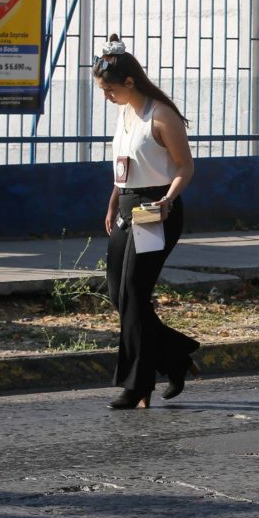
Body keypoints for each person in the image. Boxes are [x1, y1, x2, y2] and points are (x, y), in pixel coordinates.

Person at [94, 34, 199, 409]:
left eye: (109, 90)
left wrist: (168, 199)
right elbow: (123, 169)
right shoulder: (125, 113)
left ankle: (137, 384)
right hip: (127, 204)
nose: (107, 97)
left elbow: (185, 166)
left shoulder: (160, 114)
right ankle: (176, 356)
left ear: (129, 82)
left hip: (156, 207)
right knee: (117, 294)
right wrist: (112, 203)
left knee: (135, 294)